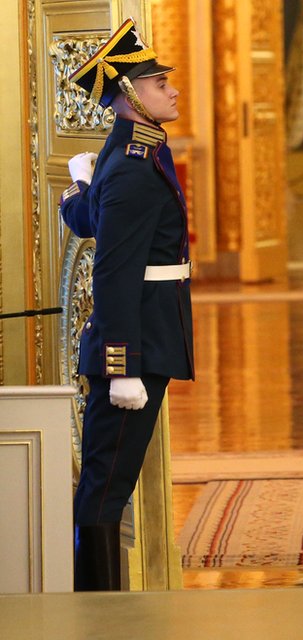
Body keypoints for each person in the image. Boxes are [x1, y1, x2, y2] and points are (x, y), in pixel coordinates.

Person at [59, 18, 194, 591]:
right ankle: (96, 607)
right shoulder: (135, 168)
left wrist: (79, 189)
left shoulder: (133, 151)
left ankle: (100, 603)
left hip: (149, 333)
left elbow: (95, 221)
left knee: (109, 481)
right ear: (131, 97)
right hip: (136, 344)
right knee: (106, 484)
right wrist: (122, 366)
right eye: (160, 83)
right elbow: (114, 272)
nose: (173, 90)